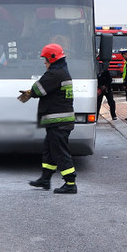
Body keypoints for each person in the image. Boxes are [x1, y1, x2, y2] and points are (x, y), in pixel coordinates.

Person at [19, 43, 78, 194]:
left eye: (45, 59)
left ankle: (70, 183)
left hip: (59, 122)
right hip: (60, 121)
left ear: (52, 58)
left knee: (59, 152)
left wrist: (30, 92)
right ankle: (45, 179)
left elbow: (39, 89)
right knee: (49, 150)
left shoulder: (55, 73)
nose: (44, 62)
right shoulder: (62, 71)